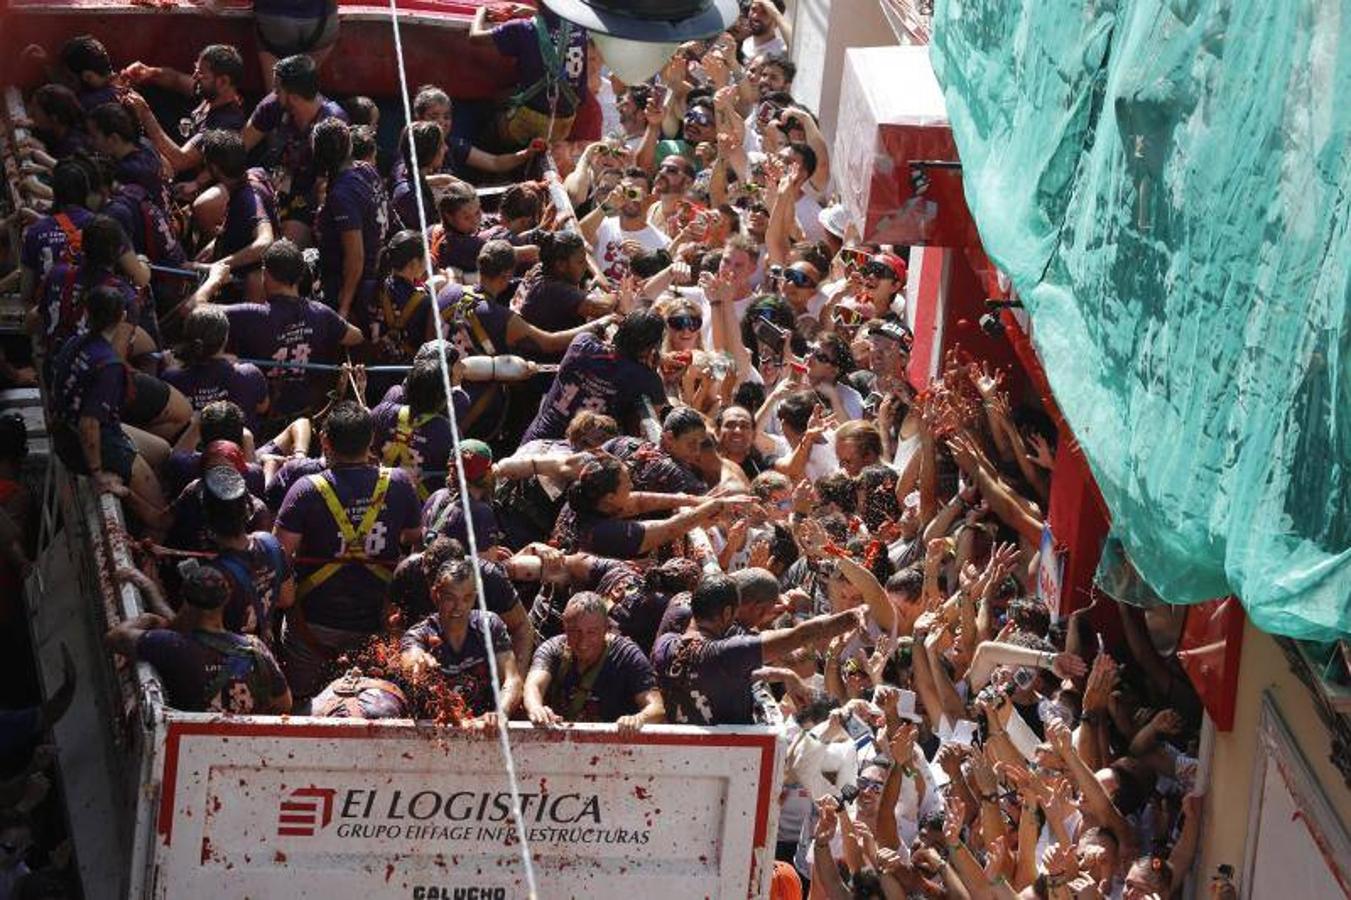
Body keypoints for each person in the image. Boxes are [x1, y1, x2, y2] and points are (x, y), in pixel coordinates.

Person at [274, 401, 422, 699]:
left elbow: (277, 553)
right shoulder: (398, 483)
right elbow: (414, 536)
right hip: (377, 626)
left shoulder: (306, 490)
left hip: (313, 626)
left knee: (301, 704)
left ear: (326, 442)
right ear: (371, 442)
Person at [652, 574, 862, 725]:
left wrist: (781, 673)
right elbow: (801, 635)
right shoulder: (729, 652)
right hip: (732, 761)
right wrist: (856, 614)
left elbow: (705, 676)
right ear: (727, 613)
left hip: (678, 754)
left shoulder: (665, 644)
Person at [105, 562, 292, 714]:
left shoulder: (171, 646)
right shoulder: (255, 648)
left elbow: (114, 638)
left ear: (185, 601)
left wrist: (147, 619)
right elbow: (285, 704)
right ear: (225, 600)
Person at [203, 239, 362, 418]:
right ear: (300, 275)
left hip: (260, 413)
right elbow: (356, 336)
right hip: (303, 415)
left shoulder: (252, 315)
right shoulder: (321, 314)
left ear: (266, 274)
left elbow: (192, 310)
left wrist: (214, 280)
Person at [400, 558, 523, 728]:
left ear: (475, 596)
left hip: (482, 726)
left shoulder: (489, 625)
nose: (459, 607)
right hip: (434, 730)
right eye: (451, 598)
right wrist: (418, 661)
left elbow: (512, 679)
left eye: (467, 598)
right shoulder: (420, 633)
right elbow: (409, 656)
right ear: (436, 595)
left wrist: (500, 711)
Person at [241, 53, 348, 244]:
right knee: (211, 205)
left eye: (278, 89)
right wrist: (200, 182)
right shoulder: (273, 106)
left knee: (285, 247)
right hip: (272, 182)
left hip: (308, 199)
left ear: (294, 97)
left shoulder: (332, 122)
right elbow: (240, 146)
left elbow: (330, 183)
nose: (274, 93)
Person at [520, 309, 668, 443]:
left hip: (535, 441)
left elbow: (597, 335)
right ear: (651, 348)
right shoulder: (645, 378)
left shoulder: (581, 344)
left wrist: (609, 319)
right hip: (581, 457)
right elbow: (662, 413)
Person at [524, 592, 663, 733]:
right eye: (575, 631)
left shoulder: (626, 654)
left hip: (614, 746)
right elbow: (533, 685)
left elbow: (656, 707)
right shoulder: (552, 649)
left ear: (606, 628)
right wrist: (536, 708)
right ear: (564, 627)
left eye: (592, 632)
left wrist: (638, 719)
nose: (583, 642)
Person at [468, 3, 589, 147]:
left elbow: (475, 37)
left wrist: (480, 12)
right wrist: (533, 12)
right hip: (564, 124)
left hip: (530, 121)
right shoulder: (579, 28)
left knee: (489, 115)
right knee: (508, 95)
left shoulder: (522, 29)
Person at [121, 44, 248, 178]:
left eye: (201, 74)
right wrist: (149, 73)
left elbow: (180, 161)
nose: (194, 77)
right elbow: (176, 80)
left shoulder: (224, 125)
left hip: (183, 177)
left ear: (223, 81)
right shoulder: (211, 93)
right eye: (196, 70)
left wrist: (144, 113)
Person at [312, 118, 387, 322]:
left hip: (354, 288)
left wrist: (344, 306)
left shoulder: (341, 194)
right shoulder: (367, 170)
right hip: (374, 276)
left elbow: (355, 257)